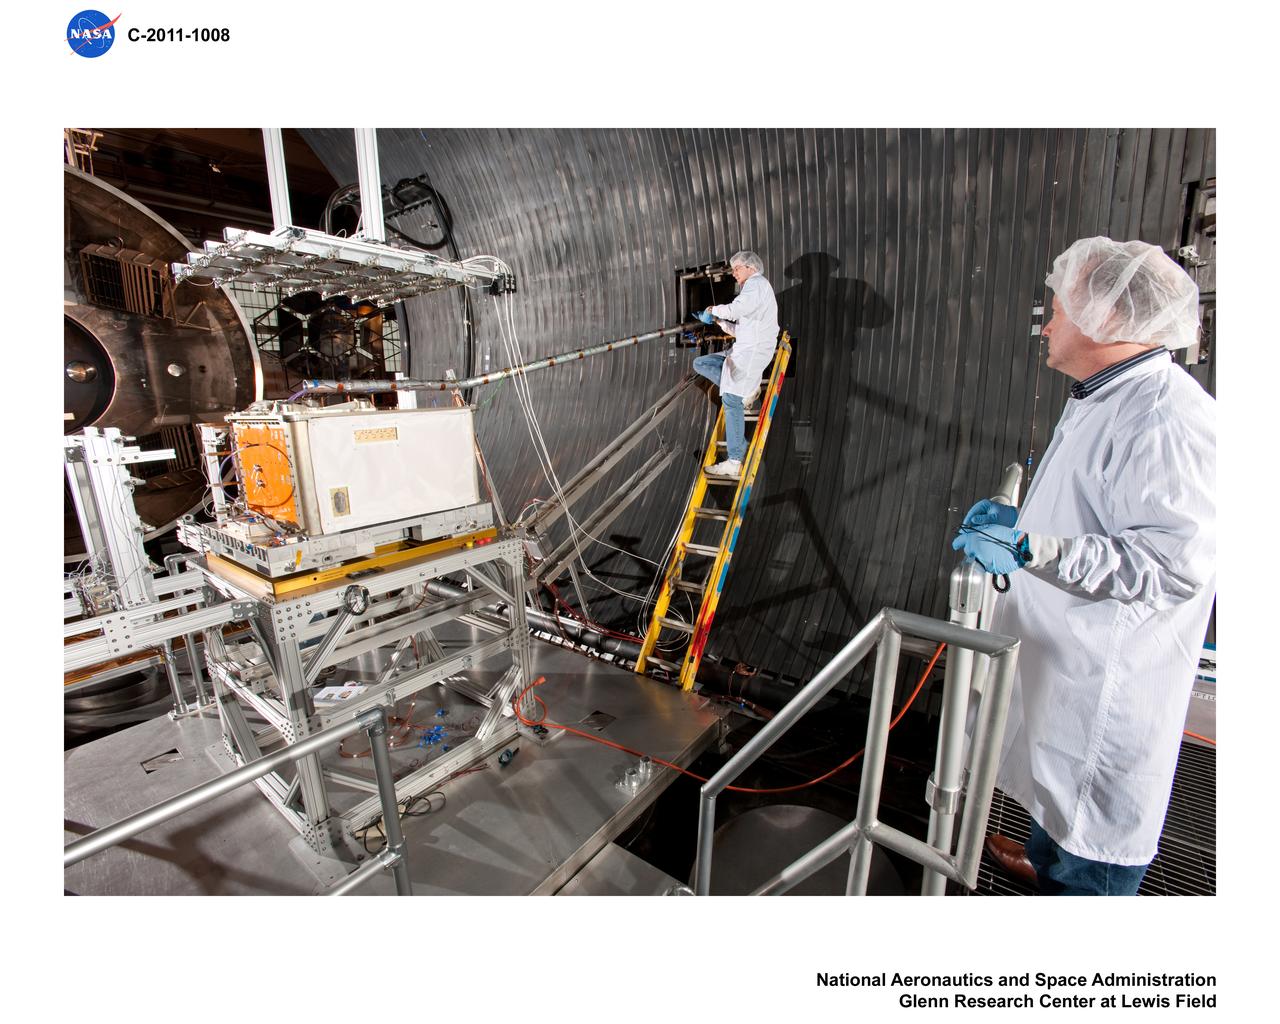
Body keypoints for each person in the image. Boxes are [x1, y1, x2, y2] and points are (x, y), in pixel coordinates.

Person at [951, 237, 1215, 896]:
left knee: (1093, 840)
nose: (1047, 323)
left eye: (1059, 308)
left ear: (1107, 318)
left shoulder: (1164, 418)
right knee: (1059, 795)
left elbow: (1168, 562)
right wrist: (1029, 528)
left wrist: (1028, 549)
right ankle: (1046, 859)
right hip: (1070, 659)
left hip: (1110, 687)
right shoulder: (1104, 395)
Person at [691, 250, 780, 476]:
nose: (734, 274)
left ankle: (735, 460)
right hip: (743, 349)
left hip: (751, 354)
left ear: (751, 267)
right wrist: (719, 321)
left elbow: (736, 309)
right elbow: (741, 328)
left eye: (737, 268)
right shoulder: (755, 292)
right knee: (701, 363)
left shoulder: (756, 284)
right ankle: (747, 390)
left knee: (731, 400)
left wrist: (712, 310)